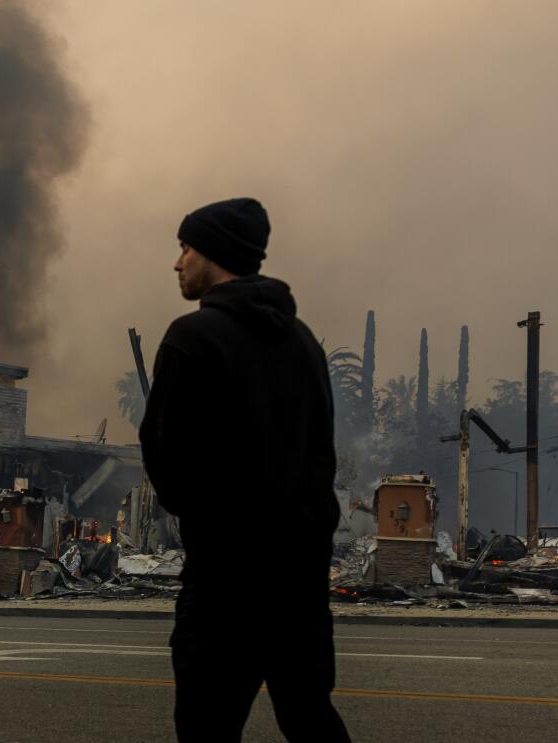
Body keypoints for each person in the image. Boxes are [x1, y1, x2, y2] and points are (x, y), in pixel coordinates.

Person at [139, 197, 350, 742]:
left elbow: (165, 462)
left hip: (224, 587)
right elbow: (320, 459)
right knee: (311, 721)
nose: (177, 261)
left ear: (213, 253)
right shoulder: (305, 345)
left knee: (206, 728)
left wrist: (213, 521)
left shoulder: (192, 337)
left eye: (185, 247)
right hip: (299, 587)